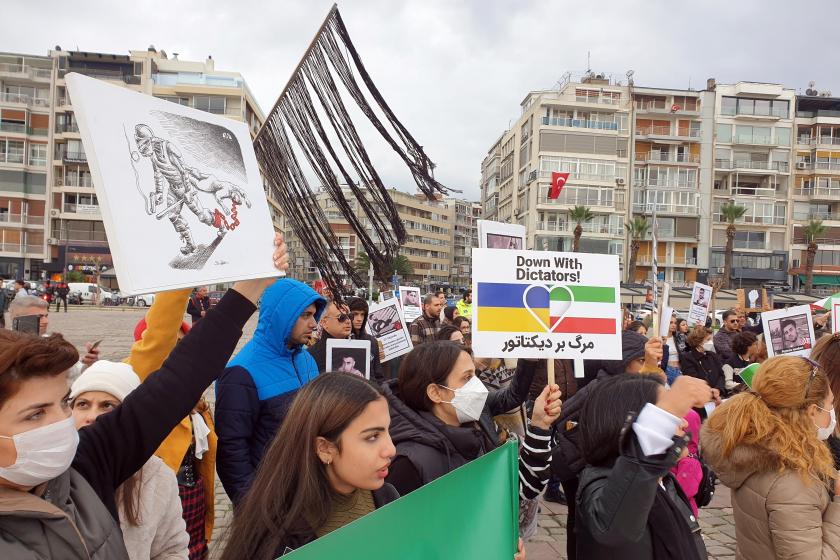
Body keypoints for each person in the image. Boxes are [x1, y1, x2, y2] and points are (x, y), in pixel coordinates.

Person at [0, 235, 285, 558]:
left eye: (63, 403)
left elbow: (180, 379)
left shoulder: (85, 466)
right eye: (35, 414)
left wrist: (251, 285)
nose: (60, 423)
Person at [702, 356, 840, 558]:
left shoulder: (755, 449)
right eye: (830, 403)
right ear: (812, 411)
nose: (832, 411)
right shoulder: (791, 480)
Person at [383, 341, 557, 498]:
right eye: (467, 377)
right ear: (435, 393)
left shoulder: (475, 429)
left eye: (475, 375)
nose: (478, 386)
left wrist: (539, 425)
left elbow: (515, 489)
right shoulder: (408, 463)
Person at [552, 331, 665, 560]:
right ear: (622, 361)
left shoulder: (625, 385)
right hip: (588, 473)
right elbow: (565, 419)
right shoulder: (604, 388)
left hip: (603, 470)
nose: (645, 366)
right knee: (583, 528)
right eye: (641, 360)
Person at [215, 278, 327, 506]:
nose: (314, 324)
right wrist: (252, 507)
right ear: (282, 315)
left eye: (314, 315)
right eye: (305, 315)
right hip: (269, 500)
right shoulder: (241, 372)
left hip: (306, 491)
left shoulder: (307, 360)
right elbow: (232, 451)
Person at [576, 374, 710, 560]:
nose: (684, 423)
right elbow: (614, 530)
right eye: (665, 415)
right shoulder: (603, 486)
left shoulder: (664, 479)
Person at [70, 360, 189, 560]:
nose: (92, 416)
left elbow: (171, 550)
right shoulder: (52, 471)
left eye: (107, 405)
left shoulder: (157, 475)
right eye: (83, 404)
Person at [129, 290, 215, 559]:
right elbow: (158, 337)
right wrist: (180, 285)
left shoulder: (194, 394)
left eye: (182, 345)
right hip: (159, 495)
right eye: (171, 344)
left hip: (192, 493)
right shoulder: (135, 383)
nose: (177, 352)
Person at [8, 294, 100, 382]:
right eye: (39, 317)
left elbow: (75, 373)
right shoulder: (5, 344)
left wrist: (89, 364)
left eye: (46, 316)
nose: (46, 321)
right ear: (17, 319)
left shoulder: (53, 344)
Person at [678, 326, 725, 412]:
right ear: (699, 342)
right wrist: (711, 392)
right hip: (701, 402)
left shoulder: (712, 355)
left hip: (717, 397)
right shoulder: (688, 357)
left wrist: (718, 389)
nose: (711, 342)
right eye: (708, 339)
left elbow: (721, 374)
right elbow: (693, 379)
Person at [346, 296, 385, 381]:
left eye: (362, 314)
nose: (359, 319)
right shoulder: (339, 341)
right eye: (355, 314)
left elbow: (378, 375)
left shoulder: (372, 342)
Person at [663, 315, 682, 384]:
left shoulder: (678, 338)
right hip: (667, 370)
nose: (673, 325)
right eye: (671, 322)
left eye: (675, 323)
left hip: (679, 370)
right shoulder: (661, 338)